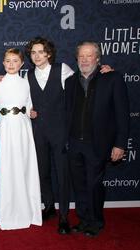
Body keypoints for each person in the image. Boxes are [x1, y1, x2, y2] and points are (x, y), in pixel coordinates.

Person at [25, 37, 114, 235]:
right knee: (43, 172)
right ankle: (49, 207)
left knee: (63, 175)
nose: (37, 56)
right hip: (38, 131)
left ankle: (64, 216)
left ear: (48, 53)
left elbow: (85, 82)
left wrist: (102, 70)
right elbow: (22, 99)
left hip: (61, 132)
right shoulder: (28, 75)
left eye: (41, 51)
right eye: (33, 52)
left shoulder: (62, 70)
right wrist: (28, 111)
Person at [65, 41, 129, 238]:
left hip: (98, 143)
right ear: (77, 59)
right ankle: (84, 220)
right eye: (81, 56)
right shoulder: (70, 82)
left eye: (89, 56)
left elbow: (122, 114)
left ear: (98, 58)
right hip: (75, 143)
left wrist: (120, 144)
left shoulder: (112, 78)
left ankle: (96, 221)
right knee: (80, 185)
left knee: (94, 185)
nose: (84, 60)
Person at [0, 48, 42, 230]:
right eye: (8, 61)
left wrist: (31, 112)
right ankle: (6, 212)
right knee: (5, 168)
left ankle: (27, 211)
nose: (11, 64)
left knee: (23, 167)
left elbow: (29, 105)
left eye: (15, 61)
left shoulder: (27, 83)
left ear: (21, 64)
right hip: (3, 128)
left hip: (22, 129)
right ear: (3, 63)